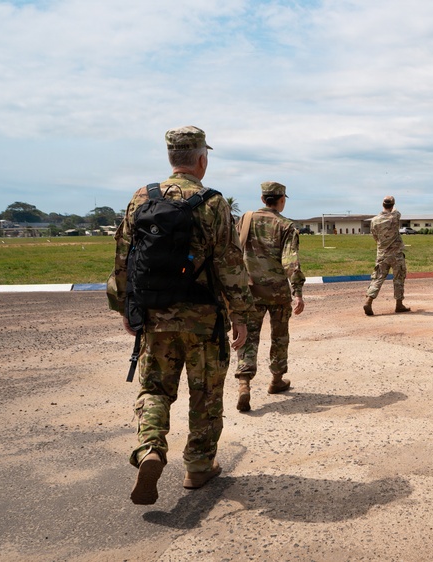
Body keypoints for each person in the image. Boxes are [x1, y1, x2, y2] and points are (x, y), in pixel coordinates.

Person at [107, 126, 254, 505]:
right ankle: (198, 466)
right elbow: (229, 263)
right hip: (204, 319)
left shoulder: (143, 197)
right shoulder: (214, 202)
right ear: (202, 159)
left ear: (171, 158)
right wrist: (240, 315)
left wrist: (126, 307)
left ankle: (151, 448)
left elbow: (124, 256)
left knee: (155, 388)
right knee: (205, 394)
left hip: (156, 315)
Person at [234, 181, 306, 412]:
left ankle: (244, 384)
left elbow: (232, 252)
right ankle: (276, 380)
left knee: (248, 336)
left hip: (250, 291)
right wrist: (298, 292)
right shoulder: (286, 226)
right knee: (279, 336)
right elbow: (290, 262)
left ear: (263, 198)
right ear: (281, 200)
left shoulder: (244, 220)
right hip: (277, 293)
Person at [364, 195, 410, 316]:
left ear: (382, 204)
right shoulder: (395, 216)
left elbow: (375, 236)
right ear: (393, 205)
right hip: (396, 254)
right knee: (399, 278)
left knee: (378, 278)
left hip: (382, 254)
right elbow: (395, 211)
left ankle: (369, 301)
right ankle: (399, 304)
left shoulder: (374, 220)